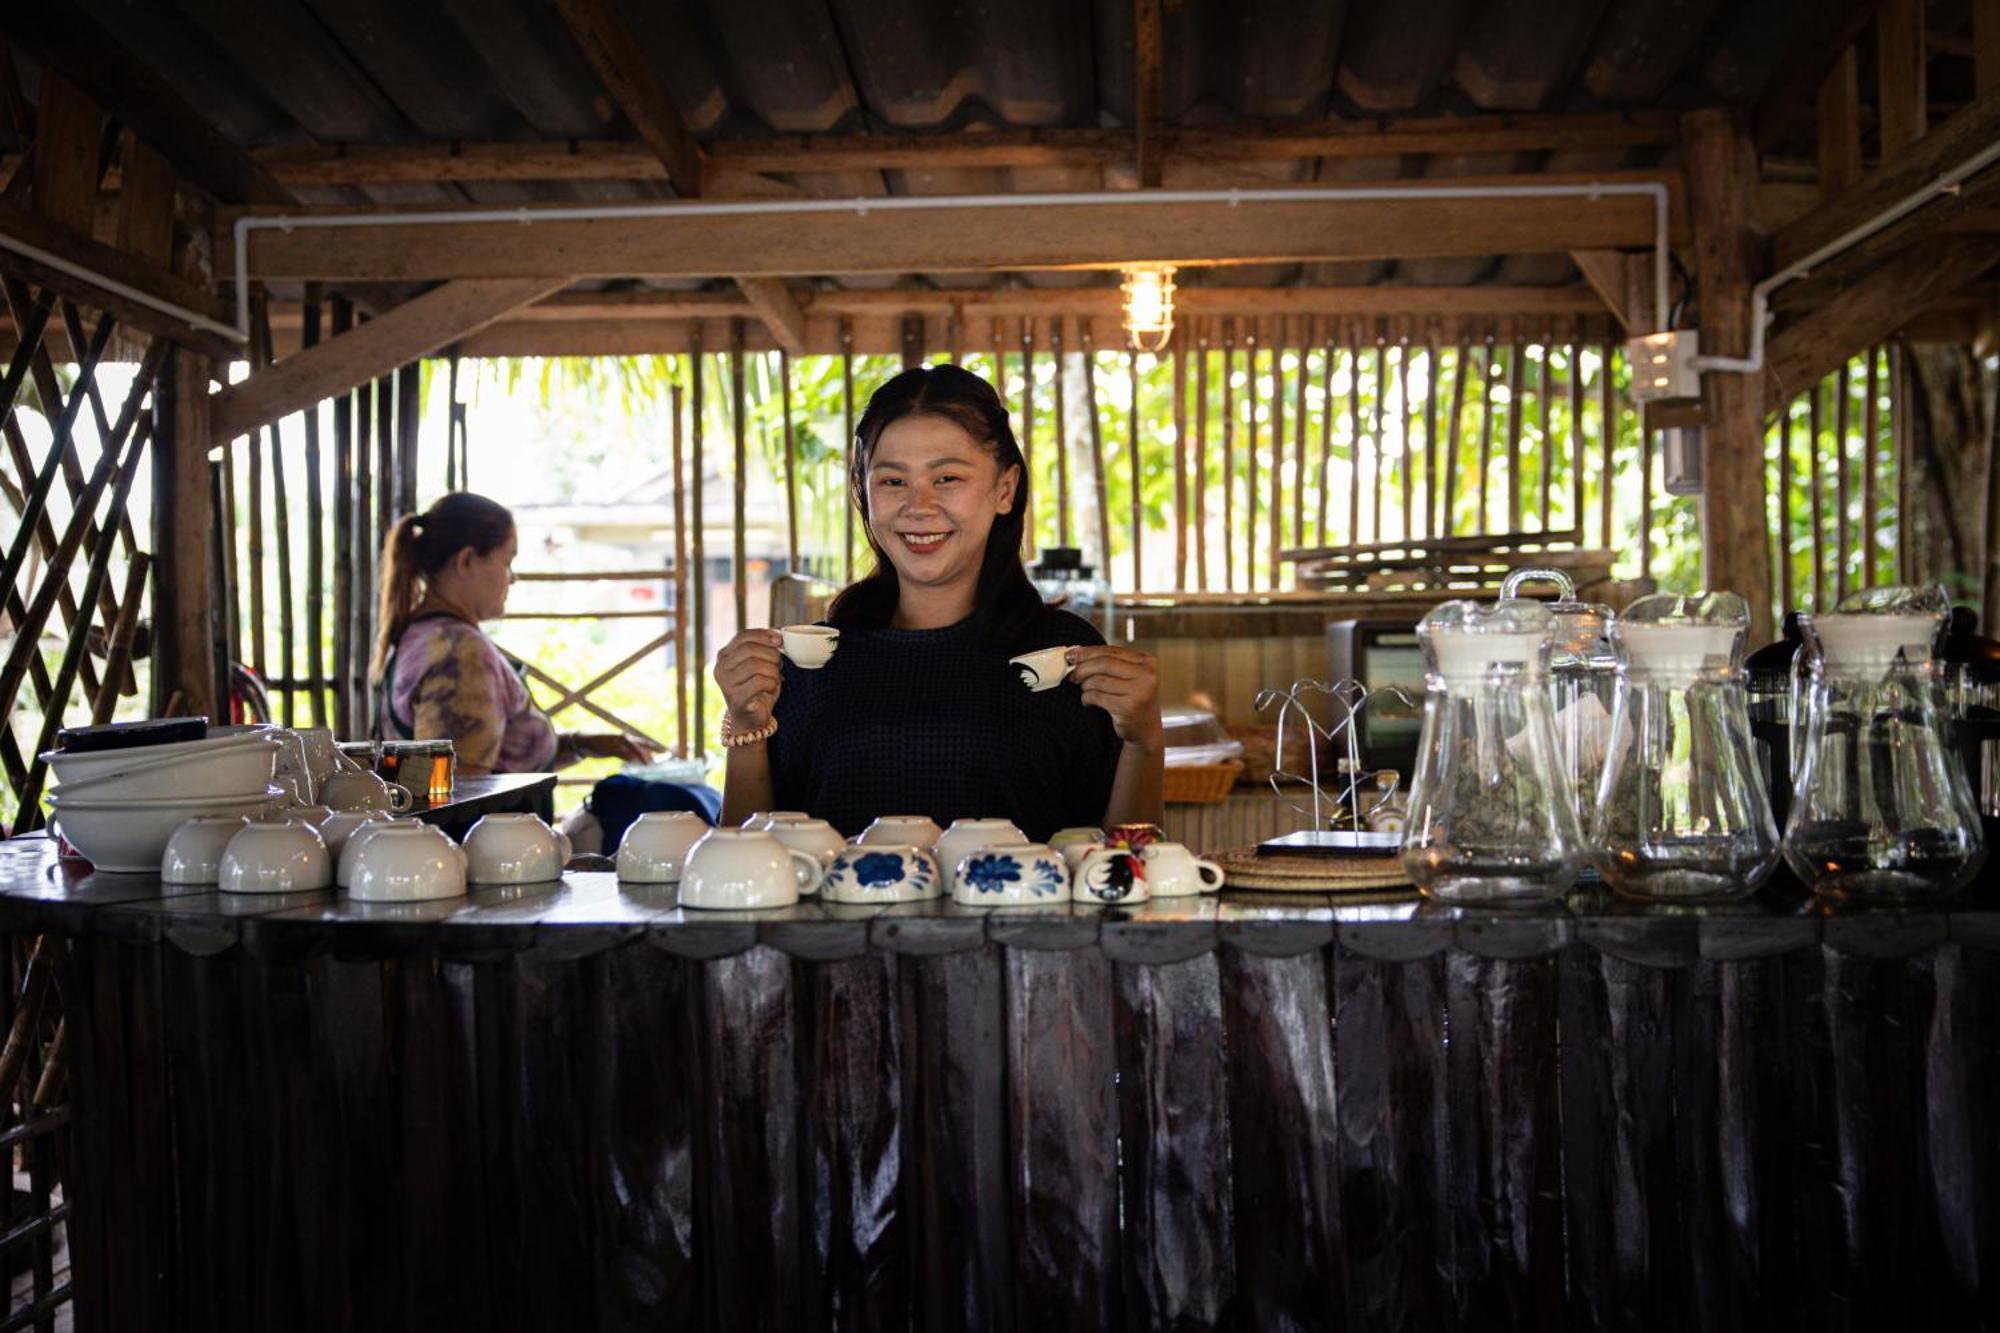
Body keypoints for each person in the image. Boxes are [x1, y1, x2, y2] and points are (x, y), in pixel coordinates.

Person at [714, 364, 1163, 839]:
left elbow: (1127, 863)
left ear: (1004, 490)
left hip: (1026, 917)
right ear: (864, 493)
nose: (919, 506)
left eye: (947, 478)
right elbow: (747, 860)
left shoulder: (1066, 657)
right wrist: (746, 723)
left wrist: (1144, 739)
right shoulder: (814, 662)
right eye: (892, 481)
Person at [371, 492, 661, 776]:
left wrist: (580, 745)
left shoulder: (420, 636)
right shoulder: (461, 652)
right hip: (484, 827)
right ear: (467, 561)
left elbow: (499, 760)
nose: (513, 577)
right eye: (507, 561)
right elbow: (463, 792)